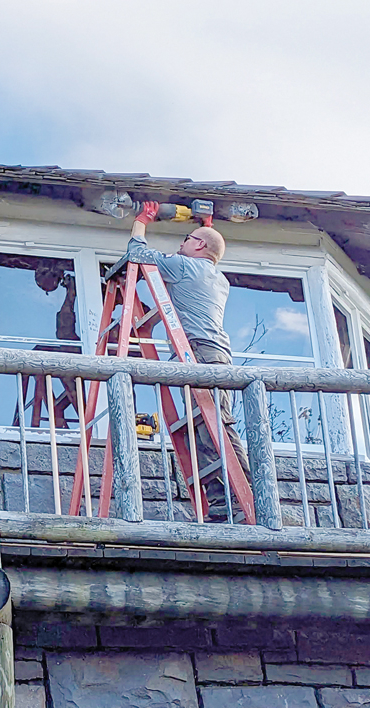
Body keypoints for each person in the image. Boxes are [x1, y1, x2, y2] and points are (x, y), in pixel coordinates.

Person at [126, 201, 247, 521]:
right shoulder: (217, 277)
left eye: (188, 238)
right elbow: (207, 248)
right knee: (208, 428)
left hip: (201, 354)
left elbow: (136, 253)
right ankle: (224, 498)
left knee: (215, 427)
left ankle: (245, 492)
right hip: (212, 354)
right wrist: (205, 225)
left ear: (200, 245)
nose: (181, 243)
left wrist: (143, 220)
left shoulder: (185, 267)